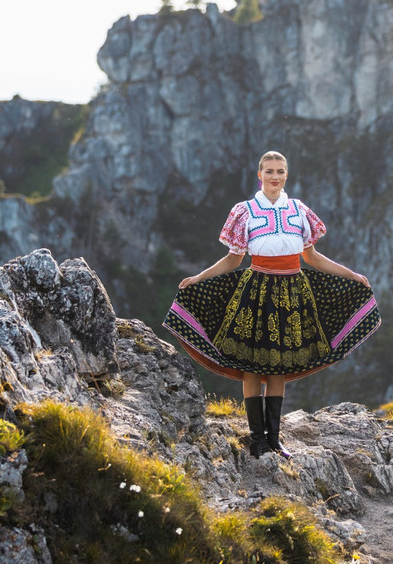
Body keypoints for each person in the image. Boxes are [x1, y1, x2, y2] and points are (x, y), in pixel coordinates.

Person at [162, 151, 381, 459]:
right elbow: (234, 258)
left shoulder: (299, 210)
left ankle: (275, 439)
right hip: (257, 289)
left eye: (280, 171)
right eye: (269, 171)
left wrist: (351, 274)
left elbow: (312, 256)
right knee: (252, 363)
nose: (274, 176)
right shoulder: (245, 210)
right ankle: (257, 438)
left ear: (286, 175)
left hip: (293, 291)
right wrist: (199, 277)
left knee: (280, 363)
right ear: (259, 174)